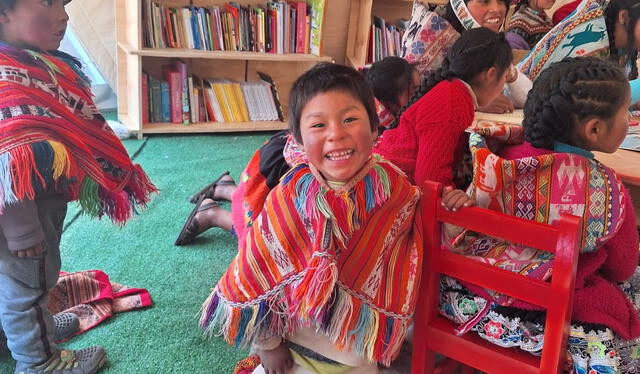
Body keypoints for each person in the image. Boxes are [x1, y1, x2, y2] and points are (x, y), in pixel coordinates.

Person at [199, 63, 423, 374]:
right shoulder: (289, 198)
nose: (336, 134)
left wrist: (458, 203)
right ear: (299, 140)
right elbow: (258, 271)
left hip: (356, 354)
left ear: (374, 129)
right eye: (318, 125)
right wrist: (269, 346)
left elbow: (416, 241)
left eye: (349, 119)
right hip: (291, 350)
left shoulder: (396, 192)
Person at [439, 57, 640, 373]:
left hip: (468, 297)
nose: (629, 120)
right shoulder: (605, 189)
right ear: (595, 129)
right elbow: (622, 267)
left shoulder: (493, 158)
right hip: (541, 315)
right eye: (626, 112)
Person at [0, 0, 157, 373]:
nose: (64, 15)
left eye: (65, 3)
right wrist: (23, 233)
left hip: (37, 211)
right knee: (28, 288)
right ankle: (39, 362)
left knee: (21, 282)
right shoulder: (6, 80)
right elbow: (7, 162)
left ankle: (18, 335)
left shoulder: (30, 63)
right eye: (49, 2)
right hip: (18, 222)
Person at [175, 56, 421, 246]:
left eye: (349, 120)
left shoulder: (362, 101)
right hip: (282, 168)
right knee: (265, 237)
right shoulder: (371, 114)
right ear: (395, 92)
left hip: (278, 153)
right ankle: (213, 214)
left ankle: (224, 188)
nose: (337, 133)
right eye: (412, 91)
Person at [375, 27, 513, 191]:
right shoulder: (452, 101)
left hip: (392, 181)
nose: (503, 85)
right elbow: (430, 181)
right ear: (490, 74)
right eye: (505, 77)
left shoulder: (453, 91)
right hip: (387, 190)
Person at [401, 0, 531, 113]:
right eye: (484, 1)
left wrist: (508, 69)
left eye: (502, 1)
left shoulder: (488, 43)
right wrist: (475, 104)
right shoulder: (429, 36)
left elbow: (527, 98)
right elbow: (411, 105)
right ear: (460, 5)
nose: (497, 9)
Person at [519, 0, 640, 93]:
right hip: (515, 103)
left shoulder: (624, 47)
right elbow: (591, 99)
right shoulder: (590, 42)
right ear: (624, 17)